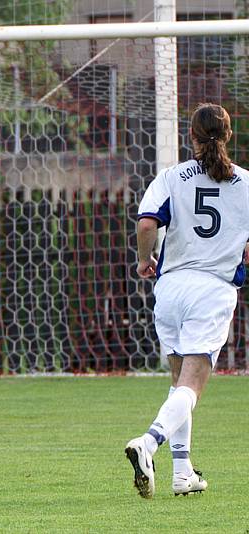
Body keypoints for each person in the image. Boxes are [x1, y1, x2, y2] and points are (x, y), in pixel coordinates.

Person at [125, 103, 249, 498]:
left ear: (191, 137)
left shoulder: (171, 177)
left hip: (172, 287)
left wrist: (145, 260)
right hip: (211, 290)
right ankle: (149, 442)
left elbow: (147, 223)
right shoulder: (246, 183)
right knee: (192, 387)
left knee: (178, 382)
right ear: (228, 135)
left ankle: (182, 473)